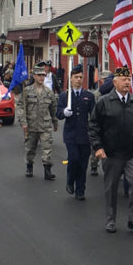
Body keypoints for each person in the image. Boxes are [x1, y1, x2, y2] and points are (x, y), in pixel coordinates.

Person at [88, 65, 133, 235]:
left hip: (132, 153)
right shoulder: (104, 102)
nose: (127, 82)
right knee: (111, 188)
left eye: (129, 79)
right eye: (124, 79)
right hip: (112, 153)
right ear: (115, 82)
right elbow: (93, 126)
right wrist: (98, 147)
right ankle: (111, 219)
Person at [57, 64, 95, 200]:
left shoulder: (88, 96)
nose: (79, 79)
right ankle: (70, 180)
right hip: (71, 134)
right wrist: (63, 112)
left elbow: (94, 115)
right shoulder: (64, 96)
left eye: (80, 77)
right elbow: (58, 113)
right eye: (76, 77)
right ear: (71, 79)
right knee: (74, 158)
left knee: (83, 163)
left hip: (84, 134)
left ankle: (80, 190)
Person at [17, 65, 59, 179]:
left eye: (43, 75)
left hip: (45, 125)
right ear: (34, 76)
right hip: (31, 125)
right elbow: (21, 107)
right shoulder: (27, 91)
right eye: (39, 75)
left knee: (47, 148)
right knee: (30, 148)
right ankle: (29, 166)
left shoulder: (49, 92)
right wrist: (23, 122)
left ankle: (47, 170)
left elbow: (53, 109)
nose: (41, 77)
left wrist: (55, 122)